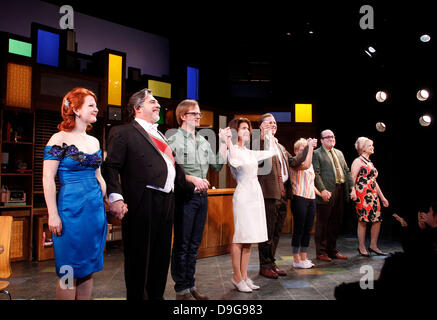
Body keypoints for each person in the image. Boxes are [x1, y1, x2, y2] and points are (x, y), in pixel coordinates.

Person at [102, 88, 193, 300]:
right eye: (153, 102)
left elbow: (172, 166)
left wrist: (190, 185)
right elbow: (111, 167)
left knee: (161, 257)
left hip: (167, 200)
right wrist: (116, 196)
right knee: (138, 258)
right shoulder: (123, 132)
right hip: (142, 201)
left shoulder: (160, 133)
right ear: (138, 108)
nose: (158, 105)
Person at [42, 87, 107, 300]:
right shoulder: (58, 139)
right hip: (70, 212)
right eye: (91, 105)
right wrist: (53, 214)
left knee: (87, 270)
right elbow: (47, 178)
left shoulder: (94, 141)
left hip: (94, 213)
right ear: (76, 110)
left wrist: (108, 200)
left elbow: (99, 177)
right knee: (68, 271)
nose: (96, 109)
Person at [168, 99, 228, 300]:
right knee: (182, 245)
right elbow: (169, 171)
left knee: (194, 245)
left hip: (202, 198)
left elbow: (217, 166)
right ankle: (181, 289)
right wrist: (190, 178)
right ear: (183, 116)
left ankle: (190, 284)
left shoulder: (202, 141)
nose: (198, 117)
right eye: (194, 113)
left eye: (199, 114)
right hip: (184, 197)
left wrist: (225, 144)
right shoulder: (173, 139)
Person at [257, 113, 311, 279]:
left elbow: (293, 162)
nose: (273, 125)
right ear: (261, 126)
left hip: (282, 193)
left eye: (275, 123)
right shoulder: (258, 142)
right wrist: (264, 137)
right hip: (269, 193)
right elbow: (259, 161)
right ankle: (264, 265)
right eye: (269, 123)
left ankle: (271, 262)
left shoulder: (279, 146)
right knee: (267, 232)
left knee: (276, 232)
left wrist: (308, 148)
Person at [226, 118, 276, 292]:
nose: (247, 131)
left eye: (248, 128)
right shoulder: (233, 150)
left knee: (249, 240)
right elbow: (234, 162)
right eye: (244, 128)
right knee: (240, 237)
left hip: (255, 194)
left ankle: (245, 276)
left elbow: (271, 152)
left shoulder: (249, 151)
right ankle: (236, 277)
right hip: (243, 195)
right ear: (235, 131)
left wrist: (268, 134)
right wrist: (227, 142)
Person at [312, 129, 356, 262]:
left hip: (340, 189)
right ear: (321, 140)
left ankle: (332, 249)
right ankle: (321, 251)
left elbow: (347, 171)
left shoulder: (339, 153)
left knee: (336, 222)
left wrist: (352, 188)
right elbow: (316, 174)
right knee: (323, 223)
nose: (331, 139)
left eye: (333, 136)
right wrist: (323, 190)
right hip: (327, 191)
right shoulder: (317, 153)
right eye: (328, 137)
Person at [350, 137, 389, 257]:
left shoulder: (370, 162)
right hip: (363, 194)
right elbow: (352, 177)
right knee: (363, 220)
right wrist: (353, 191)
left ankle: (373, 245)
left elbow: (374, 181)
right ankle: (361, 247)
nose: (372, 147)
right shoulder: (358, 161)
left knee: (377, 219)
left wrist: (382, 197)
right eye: (370, 145)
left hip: (373, 194)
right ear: (363, 148)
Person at [290, 138, 319, 269]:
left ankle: (304, 257)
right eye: (302, 150)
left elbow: (311, 184)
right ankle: (296, 259)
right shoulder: (295, 163)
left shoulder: (310, 164)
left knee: (308, 228)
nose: (305, 152)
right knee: (299, 228)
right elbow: (304, 165)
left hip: (311, 198)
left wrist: (321, 193)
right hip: (299, 197)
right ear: (296, 151)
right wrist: (310, 148)